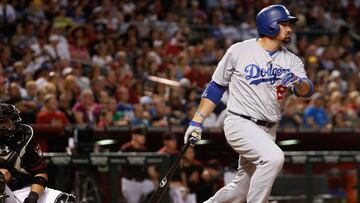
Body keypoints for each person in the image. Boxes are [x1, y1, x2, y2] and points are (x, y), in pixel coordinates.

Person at [183, 5, 314, 203]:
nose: (289, 29)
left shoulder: (292, 60)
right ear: (270, 26)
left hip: (268, 130)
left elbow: (307, 91)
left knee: (240, 191)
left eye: (289, 24)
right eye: (284, 24)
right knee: (273, 158)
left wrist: (298, 82)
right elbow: (216, 87)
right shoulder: (239, 51)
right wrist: (196, 122)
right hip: (240, 122)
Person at [0, 103, 76, 203]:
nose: (2, 127)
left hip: (24, 188)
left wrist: (32, 197)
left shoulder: (24, 137)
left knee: (65, 201)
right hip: (5, 191)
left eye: (5, 122)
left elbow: (40, 173)